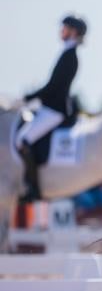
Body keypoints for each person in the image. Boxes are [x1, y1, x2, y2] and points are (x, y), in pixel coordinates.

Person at [16, 14, 87, 202]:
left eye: (64, 28)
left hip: (55, 110)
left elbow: (54, 87)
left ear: (73, 32)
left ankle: (34, 189)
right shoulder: (66, 53)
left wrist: (28, 97)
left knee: (23, 140)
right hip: (49, 107)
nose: (61, 31)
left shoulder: (70, 56)